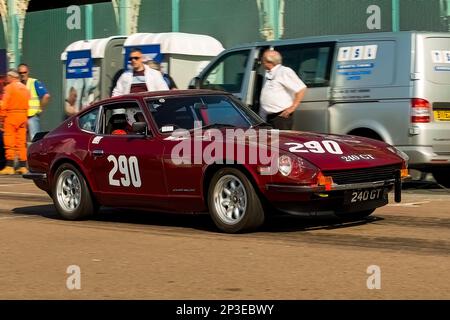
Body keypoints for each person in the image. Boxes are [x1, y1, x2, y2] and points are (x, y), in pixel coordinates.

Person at [259, 49, 307, 130]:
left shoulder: (284, 71)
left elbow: (301, 88)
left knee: (280, 141)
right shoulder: (269, 73)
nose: (261, 61)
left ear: (268, 61)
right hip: (268, 117)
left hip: (281, 117)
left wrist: (292, 108)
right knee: (269, 142)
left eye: (262, 59)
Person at [0, 70, 31, 175]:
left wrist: (1, 119)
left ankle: (9, 166)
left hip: (11, 116)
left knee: (9, 142)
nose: (6, 79)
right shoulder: (25, 89)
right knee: (21, 142)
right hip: (23, 116)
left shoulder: (9, 88)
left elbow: (4, 104)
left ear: (11, 77)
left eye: (7, 77)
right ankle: (22, 166)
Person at [18, 63, 51, 141]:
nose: (23, 74)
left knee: (35, 140)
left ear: (28, 72)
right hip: (21, 117)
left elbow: (46, 96)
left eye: (24, 72)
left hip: (32, 117)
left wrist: (40, 109)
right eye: (20, 73)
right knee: (21, 141)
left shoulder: (34, 82)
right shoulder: (17, 85)